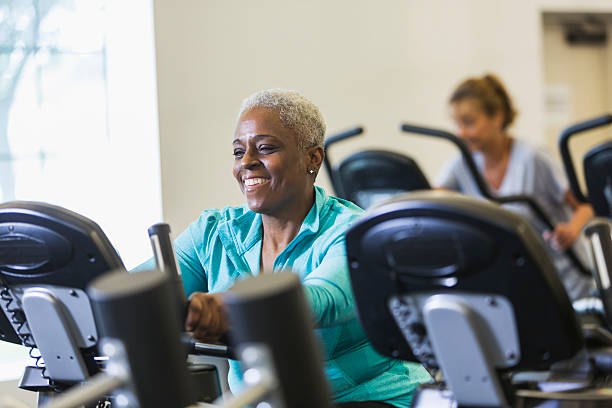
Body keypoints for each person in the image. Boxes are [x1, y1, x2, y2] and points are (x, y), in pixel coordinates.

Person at [143, 89, 431, 407]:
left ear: (312, 158)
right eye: (239, 152)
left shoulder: (351, 232)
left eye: (265, 148)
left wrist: (230, 309)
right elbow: (147, 287)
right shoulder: (215, 232)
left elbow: (324, 300)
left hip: (365, 398)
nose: (247, 163)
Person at [437, 74, 594, 300]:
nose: (460, 133)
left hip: (566, 286)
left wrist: (570, 230)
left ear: (497, 117)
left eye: (469, 122)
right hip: (515, 286)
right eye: (457, 123)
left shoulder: (533, 158)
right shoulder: (463, 162)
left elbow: (585, 207)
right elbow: (434, 198)